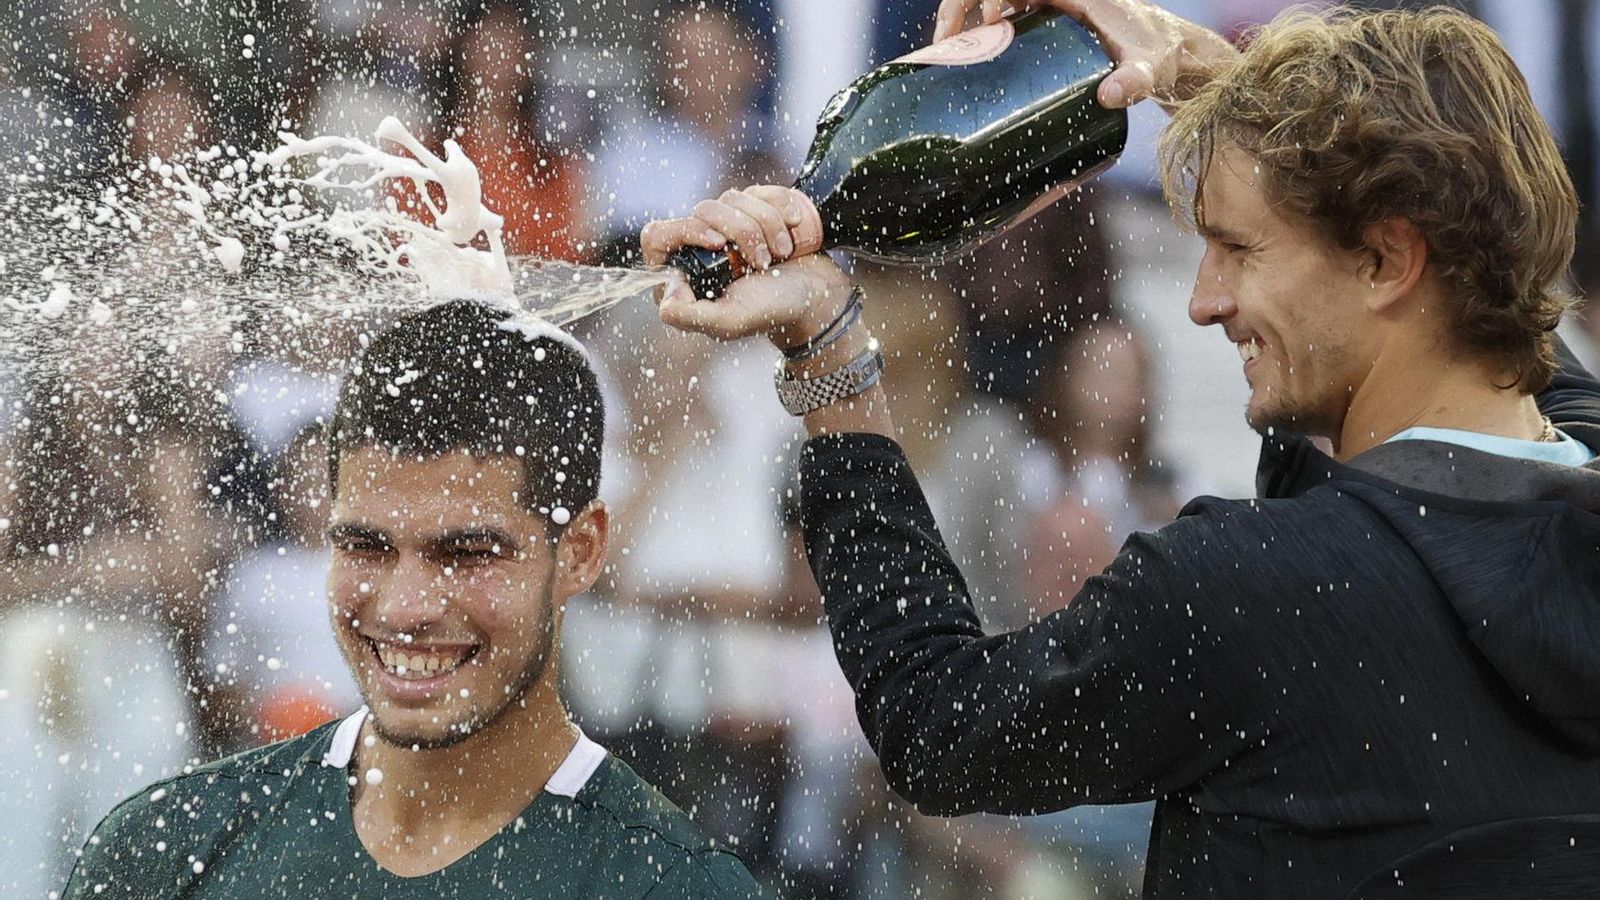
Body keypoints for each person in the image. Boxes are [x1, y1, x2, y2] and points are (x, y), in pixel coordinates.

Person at [643, 1, 1600, 896]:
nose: (1204, 300)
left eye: (1239, 249)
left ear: (1389, 259)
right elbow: (1494, 312)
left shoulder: (1255, 588)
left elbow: (937, 729)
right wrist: (1213, 80)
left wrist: (829, 351)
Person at [62, 300, 764, 898]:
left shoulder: (668, 884)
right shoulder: (164, 850)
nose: (403, 607)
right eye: (365, 547)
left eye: (465, 554)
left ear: (578, 552)